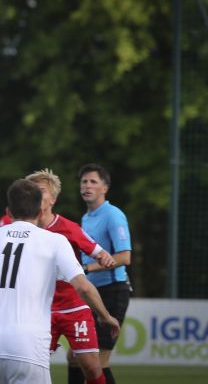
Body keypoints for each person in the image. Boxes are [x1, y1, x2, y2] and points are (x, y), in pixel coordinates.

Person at [0, 179, 120, 384]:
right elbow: (83, 287)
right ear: (40, 212)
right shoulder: (55, 241)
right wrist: (105, 316)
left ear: (8, 211)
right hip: (28, 347)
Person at [26, 169, 116, 384]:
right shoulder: (21, 230)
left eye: (41, 191)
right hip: (38, 310)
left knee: (92, 367)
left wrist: (105, 258)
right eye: (31, 191)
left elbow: (98, 251)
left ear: (53, 199)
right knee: (30, 367)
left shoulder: (68, 228)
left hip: (73, 307)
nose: (35, 195)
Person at [79, 164, 132, 384]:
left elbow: (124, 257)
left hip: (113, 291)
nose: (87, 186)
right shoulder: (86, 217)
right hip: (93, 292)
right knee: (76, 357)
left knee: (97, 363)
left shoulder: (113, 215)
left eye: (93, 182)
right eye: (84, 181)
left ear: (105, 188)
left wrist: (87, 269)